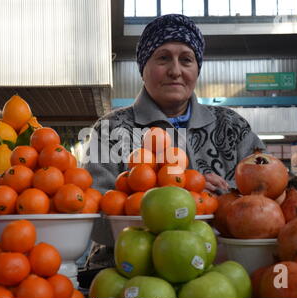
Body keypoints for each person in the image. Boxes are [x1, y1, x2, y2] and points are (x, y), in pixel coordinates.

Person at [81, 14, 265, 268]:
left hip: (219, 270)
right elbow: (91, 217)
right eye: (163, 58)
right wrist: (162, 203)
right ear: (143, 68)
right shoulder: (110, 130)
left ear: (197, 69)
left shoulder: (232, 127)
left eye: (186, 59)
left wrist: (224, 199)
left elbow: (268, 197)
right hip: (127, 270)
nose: (175, 71)